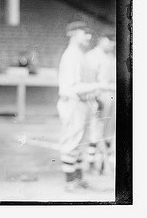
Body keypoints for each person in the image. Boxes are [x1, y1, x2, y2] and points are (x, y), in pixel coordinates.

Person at [57, 20, 100, 192]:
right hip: (72, 102)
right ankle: (69, 182)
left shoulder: (80, 54)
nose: (89, 36)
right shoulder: (71, 56)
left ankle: (78, 178)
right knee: (71, 142)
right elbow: (72, 87)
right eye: (85, 33)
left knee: (80, 142)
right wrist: (100, 86)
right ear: (74, 34)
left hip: (82, 103)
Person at [85, 27, 116, 174]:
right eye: (109, 40)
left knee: (109, 131)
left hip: (112, 94)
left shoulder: (112, 57)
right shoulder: (91, 56)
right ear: (101, 39)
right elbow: (89, 80)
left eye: (113, 42)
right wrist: (95, 97)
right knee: (95, 129)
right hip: (98, 94)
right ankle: (91, 163)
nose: (112, 44)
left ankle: (104, 164)